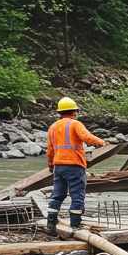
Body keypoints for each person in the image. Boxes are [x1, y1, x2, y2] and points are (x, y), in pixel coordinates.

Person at [45, 97, 107, 234]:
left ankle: (50, 224)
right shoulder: (75, 124)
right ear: (74, 111)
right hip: (74, 165)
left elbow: (50, 150)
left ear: (60, 112)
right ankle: (75, 225)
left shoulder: (53, 127)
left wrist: (50, 164)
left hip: (58, 166)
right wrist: (102, 143)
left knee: (57, 195)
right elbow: (87, 137)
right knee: (77, 195)